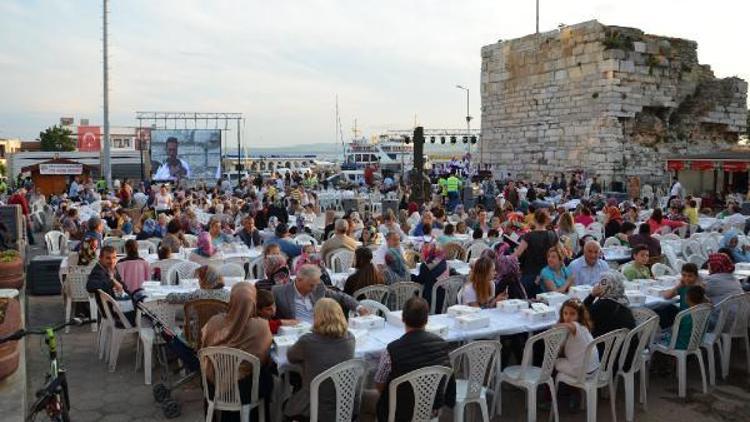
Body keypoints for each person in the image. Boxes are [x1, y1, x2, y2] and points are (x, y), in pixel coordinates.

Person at [373, 296, 455, 422]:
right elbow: (446, 378)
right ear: (427, 320)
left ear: (403, 319)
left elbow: (379, 385)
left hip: (397, 411)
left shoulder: (391, 350)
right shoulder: (442, 345)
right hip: (430, 408)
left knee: (365, 400)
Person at [201, 283, 272, 422]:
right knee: (268, 376)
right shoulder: (261, 326)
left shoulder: (214, 321)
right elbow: (264, 358)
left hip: (213, 386)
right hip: (245, 391)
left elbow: (203, 346)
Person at [285, 298, 356, 421]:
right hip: (344, 404)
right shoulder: (350, 338)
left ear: (316, 317)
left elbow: (291, 357)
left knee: (286, 403)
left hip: (313, 405)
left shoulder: (307, 341)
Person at [272, 264, 368, 323]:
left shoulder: (318, 286)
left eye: (315, 285)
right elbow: (268, 317)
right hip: (294, 332)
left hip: (320, 329)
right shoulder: (279, 292)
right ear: (299, 280)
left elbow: (341, 296)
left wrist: (359, 307)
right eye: (311, 285)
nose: (314, 288)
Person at [513, 209, 559, 297]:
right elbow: (561, 253)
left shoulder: (528, 236)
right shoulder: (553, 235)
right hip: (548, 275)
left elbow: (517, 254)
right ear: (546, 220)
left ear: (534, 220)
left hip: (530, 274)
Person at [86, 246, 135, 325]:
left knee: (140, 298)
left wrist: (119, 284)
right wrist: (112, 281)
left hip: (119, 305)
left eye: (114, 257)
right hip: (113, 311)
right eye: (108, 258)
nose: (112, 261)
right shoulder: (98, 271)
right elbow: (90, 286)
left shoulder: (111, 267)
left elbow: (122, 285)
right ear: (100, 258)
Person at [583, 272, 636, 339]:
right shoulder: (623, 300)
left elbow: (581, 314)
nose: (598, 286)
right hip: (629, 347)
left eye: (600, 283)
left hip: (610, 347)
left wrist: (592, 296)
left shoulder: (602, 305)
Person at [555, 298, 599, 378]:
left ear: (579, 315)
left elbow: (570, 326)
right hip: (594, 368)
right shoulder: (585, 327)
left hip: (584, 372)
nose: (568, 317)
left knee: (556, 362)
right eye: (565, 313)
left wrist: (555, 327)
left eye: (572, 314)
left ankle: (556, 389)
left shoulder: (575, 326)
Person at [659, 285, 708, 350]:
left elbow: (673, 331)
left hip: (680, 345)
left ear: (687, 298)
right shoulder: (705, 311)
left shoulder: (684, 316)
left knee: (658, 336)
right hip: (697, 342)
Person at [703, 253, 744, 324]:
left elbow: (697, 295)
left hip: (723, 322)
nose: (708, 265)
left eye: (709, 263)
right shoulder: (734, 278)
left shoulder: (711, 281)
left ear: (714, 265)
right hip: (740, 319)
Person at [413, 243, 448, 308]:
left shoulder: (425, 266)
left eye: (422, 252)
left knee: (413, 292)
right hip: (444, 298)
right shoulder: (443, 262)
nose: (421, 254)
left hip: (429, 299)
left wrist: (410, 276)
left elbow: (420, 281)